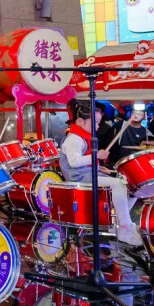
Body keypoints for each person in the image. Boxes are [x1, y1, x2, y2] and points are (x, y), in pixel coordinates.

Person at [59, 100, 141, 246]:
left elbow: (85, 162)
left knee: (131, 186)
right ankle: (125, 227)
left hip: (88, 174)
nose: (98, 126)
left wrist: (98, 168)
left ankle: (118, 223)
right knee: (118, 184)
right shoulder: (74, 139)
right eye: (95, 122)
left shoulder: (82, 137)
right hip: (78, 178)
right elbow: (74, 162)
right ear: (80, 121)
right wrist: (97, 155)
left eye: (98, 123)